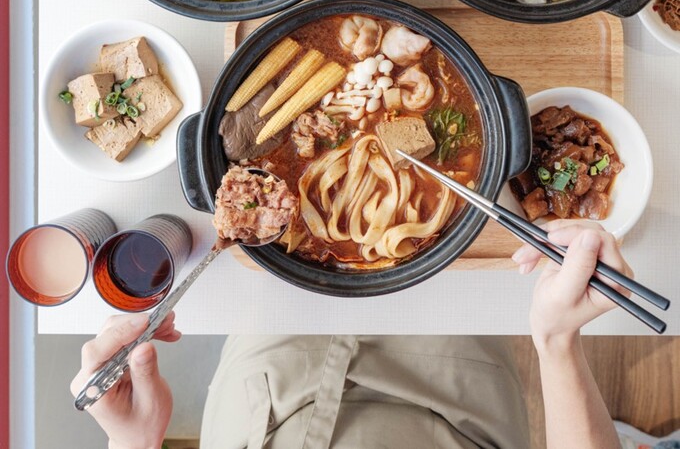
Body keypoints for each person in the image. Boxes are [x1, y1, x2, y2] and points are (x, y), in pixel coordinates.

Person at [71, 221, 644, 449]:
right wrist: (556, 340)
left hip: (264, 393)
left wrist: (134, 441)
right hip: (454, 392)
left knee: (270, 262)